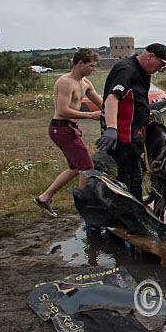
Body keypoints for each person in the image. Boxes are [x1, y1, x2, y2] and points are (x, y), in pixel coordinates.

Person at [95, 43, 166, 200]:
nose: (160, 69)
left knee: (137, 170)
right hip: (123, 135)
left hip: (135, 132)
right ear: (150, 56)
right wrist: (111, 128)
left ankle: (129, 204)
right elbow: (111, 99)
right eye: (160, 64)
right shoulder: (127, 70)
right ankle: (131, 210)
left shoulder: (143, 71)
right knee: (131, 180)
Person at [34, 48, 103, 217]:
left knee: (76, 167)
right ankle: (84, 205)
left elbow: (102, 104)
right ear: (80, 63)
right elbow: (62, 110)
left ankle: (44, 197)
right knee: (86, 166)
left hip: (70, 128)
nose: (93, 69)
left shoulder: (85, 83)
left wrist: (119, 112)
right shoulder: (65, 82)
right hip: (61, 128)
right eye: (91, 65)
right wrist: (90, 115)